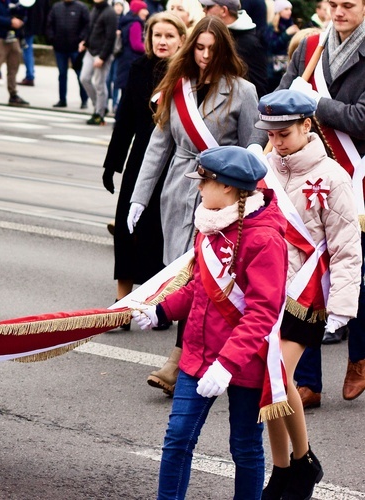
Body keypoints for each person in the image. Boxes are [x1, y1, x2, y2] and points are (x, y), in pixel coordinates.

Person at [133, 146, 288, 500]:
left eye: (204, 181)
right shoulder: (211, 222)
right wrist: (161, 310)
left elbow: (263, 311)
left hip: (243, 361)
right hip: (198, 354)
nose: (199, 188)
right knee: (177, 441)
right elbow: (199, 289)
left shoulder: (264, 238)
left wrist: (227, 364)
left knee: (245, 447)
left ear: (229, 188)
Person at [128, 16, 266, 396]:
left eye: (212, 49)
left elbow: (251, 155)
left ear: (224, 50)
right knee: (181, 276)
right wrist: (140, 197)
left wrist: (248, 204)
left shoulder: (243, 91)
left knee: (204, 278)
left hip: (221, 198)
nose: (204, 56)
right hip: (178, 190)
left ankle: (180, 361)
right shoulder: (178, 87)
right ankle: (196, 355)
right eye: (199, 48)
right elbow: (159, 145)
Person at [254, 89, 361, 499]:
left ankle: (303, 462)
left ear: (306, 125)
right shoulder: (263, 167)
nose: (278, 141)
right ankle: (285, 467)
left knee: (277, 375)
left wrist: (341, 309)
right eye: (272, 133)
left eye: (285, 132)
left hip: (306, 295)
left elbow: (347, 247)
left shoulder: (332, 176)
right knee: (269, 381)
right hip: (266, 291)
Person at [277, 0, 365, 410]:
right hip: (310, 169)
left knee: (355, 273)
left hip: (357, 175)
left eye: (349, 4)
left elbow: (362, 118)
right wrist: (286, 99)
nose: (339, 11)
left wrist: (312, 103)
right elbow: (280, 98)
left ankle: (359, 356)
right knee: (304, 272)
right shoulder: (310, 45)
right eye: (333, 3)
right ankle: (308, 380)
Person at [102, 12, 187, 323]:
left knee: (160, 232)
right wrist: (112, 163)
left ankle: (160, 304)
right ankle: (121, 300)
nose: (162, 41)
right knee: (126, 227)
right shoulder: (139, 67)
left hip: (174, 159)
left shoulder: (188, 72)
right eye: (157, 36)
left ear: (181, 39)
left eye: (169, 36)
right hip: (140, 157)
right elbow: (124, 119)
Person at [199, 0, 269, 98]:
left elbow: (258, 89)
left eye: (209, 7)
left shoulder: (248, 43)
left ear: (224, 10)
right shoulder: (215, 35)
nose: (204, 10)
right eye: (200, 47)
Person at [79, 0, 118, 126]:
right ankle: (100, 106)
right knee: (84, 78)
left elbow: (110, 37)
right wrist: (85, 42)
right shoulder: (95, 9)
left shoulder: (110, 13)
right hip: (91, 50)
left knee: (99, 84)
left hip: (102, 53)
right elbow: (90, 29)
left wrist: (102, 57)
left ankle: (99, 114)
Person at [45, 0, 90, 109]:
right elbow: (49, 24)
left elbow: (87, 25)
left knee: (80, 75)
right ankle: (62, 99)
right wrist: (52, 39)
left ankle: (84, 99)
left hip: (75, 48)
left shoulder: (81, 7)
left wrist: (82, 39)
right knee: (62, 74)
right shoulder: (57, 7)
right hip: (60, 47)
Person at [0, 0, 30, 106]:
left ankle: (13, 94)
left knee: (14, 67)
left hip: (13, 37)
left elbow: (20, 9)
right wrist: (10, 21)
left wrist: (20, 19)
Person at [113, 0, 149, 108]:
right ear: (138, 10)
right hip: (131, 61)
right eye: (144, 9)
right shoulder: (136, 24)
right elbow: (136, 45)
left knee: (125, 93)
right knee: (127, 94)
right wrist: (149, 49)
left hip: (125, 59)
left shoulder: (127, 21)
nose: (146, 12)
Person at [264, 0, 299, 91]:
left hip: (287, 66)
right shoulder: (272, 27)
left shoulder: (291, 24)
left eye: (290, 9)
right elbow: (272, 46)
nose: (289, 12)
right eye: (286, 9)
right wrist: (286, 34)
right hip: (274, 70)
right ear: (279, 11)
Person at [18, 0, 49, 86]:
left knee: (26, 50)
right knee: (28, 50)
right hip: (33, 25)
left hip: (26, 25)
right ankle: (30, 75)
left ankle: (30, 76)